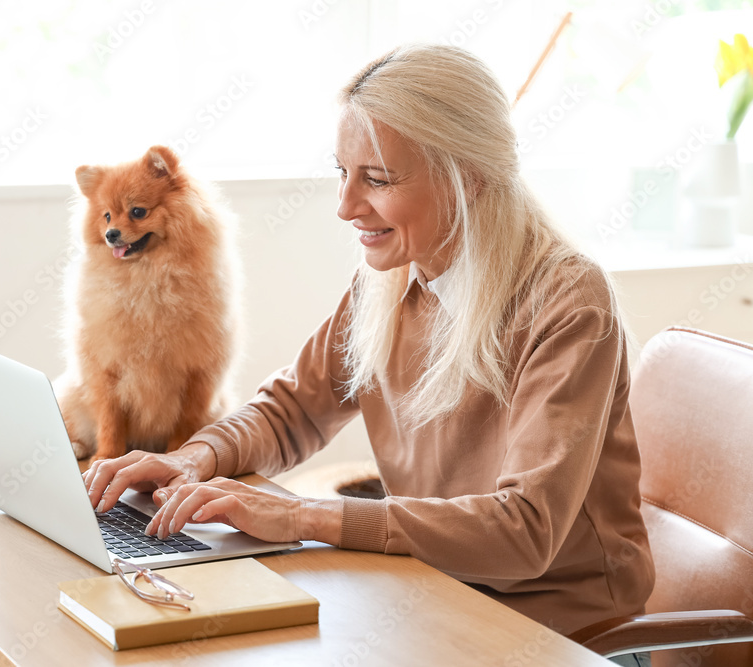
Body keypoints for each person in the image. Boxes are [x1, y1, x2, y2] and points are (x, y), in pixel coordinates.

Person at [83, 43, 655, 658]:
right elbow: (294, 409)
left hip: (558, 634)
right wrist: (195, 457)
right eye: (342, 172)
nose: (346, 206)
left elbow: (525, 531)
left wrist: (304, 518)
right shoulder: (392, 275)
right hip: (430, 594)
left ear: (469, 176)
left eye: (376, 179)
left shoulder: (569, 303)